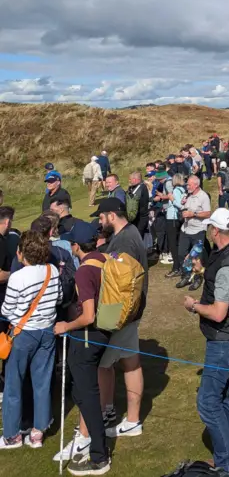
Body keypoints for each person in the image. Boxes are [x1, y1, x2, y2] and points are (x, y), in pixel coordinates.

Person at [183, 208, 229, 477]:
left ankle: (225, 463)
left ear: (215, 231)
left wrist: (194, 305)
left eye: (210, 228)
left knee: (208, 402)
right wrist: (203, 270)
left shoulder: (228, 264)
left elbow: (219, 312)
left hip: (224, 339)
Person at [54, 221, 111, 474]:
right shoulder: (105, 259)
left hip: (87, 338)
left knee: (87, 398)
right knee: (82, 393)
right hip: (104, 332)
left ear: (76, 246)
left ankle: (99, 457)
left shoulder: (84, 271)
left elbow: (88, 316)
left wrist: (66, 326)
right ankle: (94, 442)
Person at [92, 197, 148, 440]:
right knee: (130, 360)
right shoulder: (130, 232)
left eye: (101, 217)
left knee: (103, 363)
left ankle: (107, 412)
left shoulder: (125, 239)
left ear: (111, 216)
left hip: (121, 310)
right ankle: (129, 417)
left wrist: (110, 317)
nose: (100, 221)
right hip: (132, 309)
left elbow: (120, 281)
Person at [0, 231, 61, 452]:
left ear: (22, 252)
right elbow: (59, 297)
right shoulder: (51, 270)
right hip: (46, 331)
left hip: (23, 333)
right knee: (42, 382)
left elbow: (6, 310)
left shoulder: (18, 277)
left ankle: (12, 436)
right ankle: (38, 432)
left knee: (13, 385)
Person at [177, 175, 212, 273]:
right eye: (187, 184)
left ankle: (197, 277)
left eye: (189, 185)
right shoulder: (187, 195)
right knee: (181, 253)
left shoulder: (203, 196)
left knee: (196, 256)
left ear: (196, 185)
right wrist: (182, 203)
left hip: (198, 230)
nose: (187, 186)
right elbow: (183, 209)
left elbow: (208, 214)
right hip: (185, 229)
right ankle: (186, 274)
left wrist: (194, 214)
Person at [126, 171, 150, 239]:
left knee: (138, 237)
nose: (129, 181)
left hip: (141, 218)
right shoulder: (132, 187)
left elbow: (140, 203)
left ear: (136, 179)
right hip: (134, 217)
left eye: (130, 179)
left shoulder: (142, 188)